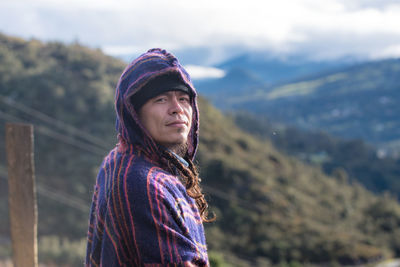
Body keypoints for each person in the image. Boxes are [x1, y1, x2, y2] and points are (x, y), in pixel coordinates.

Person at [86, 48, 214, 267]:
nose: (177, 109)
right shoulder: (142, 183)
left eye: (184, 98)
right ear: (135, 114)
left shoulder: (124, 161)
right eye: (161, 99)